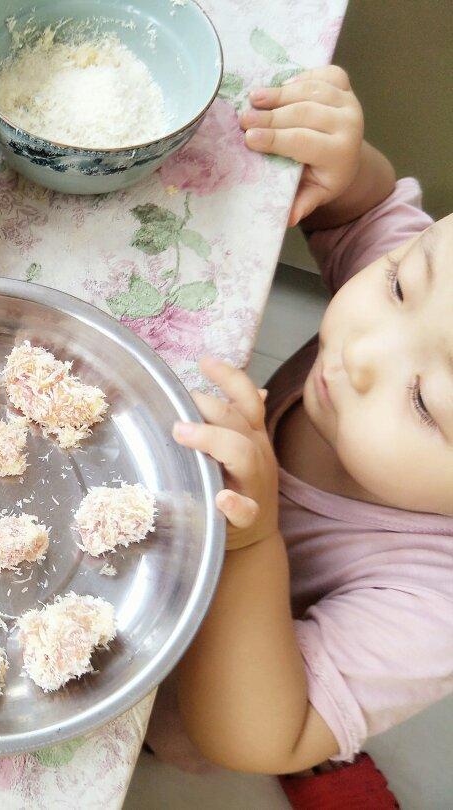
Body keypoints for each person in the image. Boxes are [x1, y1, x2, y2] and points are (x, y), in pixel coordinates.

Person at [158, 65, 453, 808]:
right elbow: (368, 210)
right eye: (397, 285)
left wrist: (253, 544)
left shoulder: (434, 607)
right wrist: (346, 165)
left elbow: (251, 736)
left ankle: (332, 740)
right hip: (158, 537)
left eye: (424, 402)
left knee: (176, 733)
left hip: (227, 677)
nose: (359, 352)